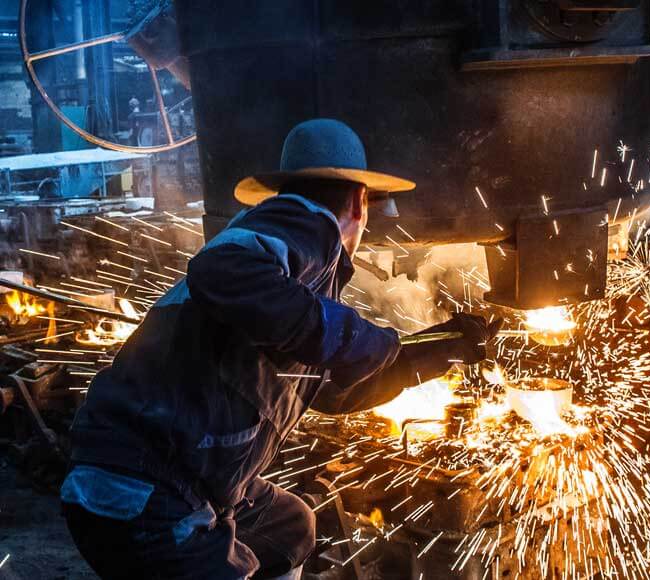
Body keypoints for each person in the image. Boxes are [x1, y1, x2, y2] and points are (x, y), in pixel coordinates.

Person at [60, 119, 502, 579]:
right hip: (144, 495)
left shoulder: (286, 285)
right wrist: (360, 337)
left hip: (127, 482)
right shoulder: (302, 223)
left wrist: (441, 349)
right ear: (359, 201)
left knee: (288, 526)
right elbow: (222, 269)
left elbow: (333, 390)